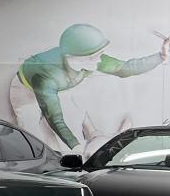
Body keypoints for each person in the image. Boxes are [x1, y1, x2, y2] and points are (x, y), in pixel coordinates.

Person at [9, 23, 169, 154]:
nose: (99, 60)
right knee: (33, 134)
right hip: (26, 91)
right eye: (93, 57)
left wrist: (161, 56)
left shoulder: (90, 58)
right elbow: (56, 120)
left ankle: (69, 150)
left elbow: (126, 68)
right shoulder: (47, 77)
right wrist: (76, 148)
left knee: (62, 131)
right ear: (70, 58)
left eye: (100, 54)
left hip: (61, 86)